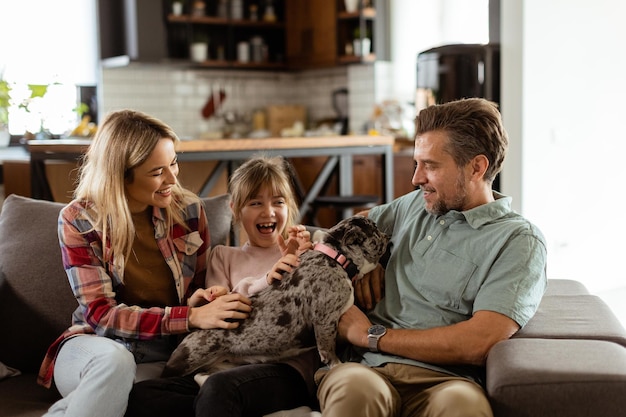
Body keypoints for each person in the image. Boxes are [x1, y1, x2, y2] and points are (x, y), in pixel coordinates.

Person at [315, 98, 548, 417]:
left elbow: (478, 342)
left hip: (448, 381)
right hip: (365, 370)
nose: (416, 178)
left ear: (476, 167)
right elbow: (341, 235)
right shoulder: (412, 205)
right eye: (416, 163)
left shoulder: (518, 240)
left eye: (431, 165)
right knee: (355, 389)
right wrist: (362, 258)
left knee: (462, 406)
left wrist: (372, 336)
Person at [38, 109, 252, 417]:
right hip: (93, 348)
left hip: (162, 357)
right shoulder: (79, 220)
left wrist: (204, 298)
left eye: (173, 163)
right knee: (116, 364)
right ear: (120, 175)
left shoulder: (189, 210)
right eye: (156, 173)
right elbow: (101, 315)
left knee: (134, 399)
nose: (172, 179)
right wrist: (190, 316)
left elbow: (198, 289)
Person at [125, 155, 320, 417]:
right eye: (255, 203)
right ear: (235, 210)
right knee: (141, 396)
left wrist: (300, 264)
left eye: (278, 202)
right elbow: (219, 317)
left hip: (285, 369)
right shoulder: (223, 256)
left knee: (219, 389)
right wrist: (210, 299)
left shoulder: (306, 253)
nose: (268, 211)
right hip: (221, 367)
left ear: (290, 207)